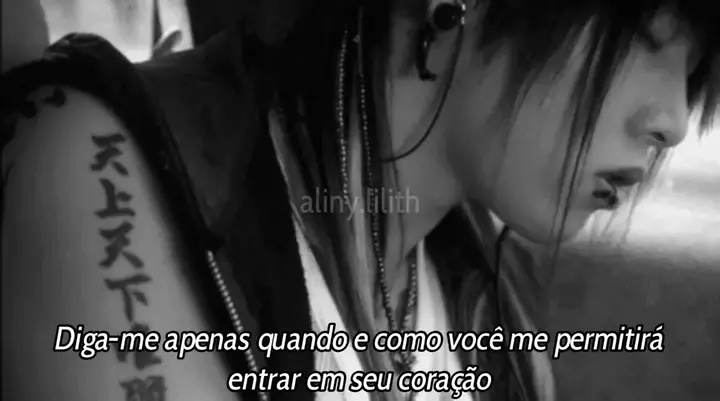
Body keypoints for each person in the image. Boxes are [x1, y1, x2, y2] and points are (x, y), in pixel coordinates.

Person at [1, 1, 717, 401]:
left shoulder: (503, 338)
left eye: (693, 73)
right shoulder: (100, 156)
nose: (675, 120)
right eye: (645, 37)